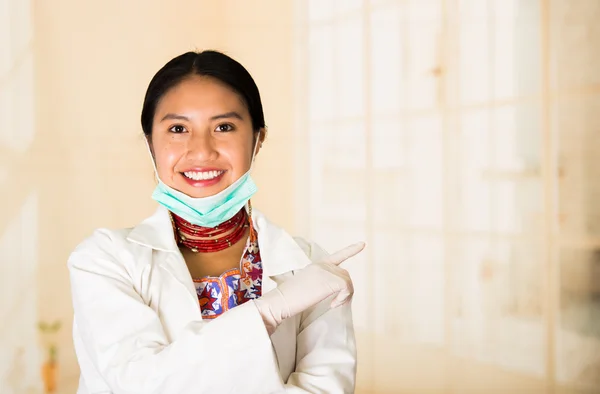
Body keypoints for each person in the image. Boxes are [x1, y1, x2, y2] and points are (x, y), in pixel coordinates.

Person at [67, 50, 365, 394]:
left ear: (258, 139)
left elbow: (325, 388)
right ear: (150, 143)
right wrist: (270, 310)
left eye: (224, 127)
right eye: (178, 129)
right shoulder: (104, 260)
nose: (202, 150)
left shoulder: (309, 264)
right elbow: (139, 383)